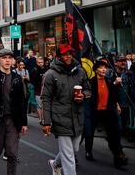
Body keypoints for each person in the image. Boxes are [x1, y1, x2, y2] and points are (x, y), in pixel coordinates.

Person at [41, 44, 91, 175]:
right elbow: (45, 98)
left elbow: (88, 89)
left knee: (73, 149)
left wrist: (83, 95)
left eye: (70, 53)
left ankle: (55, 164)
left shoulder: (80, 71)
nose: (68, 56)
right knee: (69, 156)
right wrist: (46, 122)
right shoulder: (50, 74)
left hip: (78, 117)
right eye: (64, 54)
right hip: (60, 118)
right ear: (58, 56)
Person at [83, 59, 128, 167]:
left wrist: (116, 102)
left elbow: (114, 95)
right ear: (96, 69)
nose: (104, 69)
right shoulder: (91, 81)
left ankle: (118, 157)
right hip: (94, 111)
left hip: (108, 111)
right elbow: (88, 96)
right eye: (101, 67)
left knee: (114, 133)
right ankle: (88, 151)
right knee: (89, 132)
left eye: (105, 67)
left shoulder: (109, 80)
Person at [107, 54, 135, 134]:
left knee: (122, 126)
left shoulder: (128, 74)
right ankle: (116, 144)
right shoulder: (110, 73)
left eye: (124, 61)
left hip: (125, 105)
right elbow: (107, 89)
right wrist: (114, 82)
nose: (123, 62)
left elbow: (134, 89)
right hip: (114, 105)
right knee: (118, 128)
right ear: (116, 63)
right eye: (121, 61)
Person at [30, 57, 48, 125]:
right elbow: (31, 80)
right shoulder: (34, 70)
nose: (40, 64)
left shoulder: (47, 69)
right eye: (39, 62)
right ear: (36, 62)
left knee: (44, 105)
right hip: (38, 90)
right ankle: (40, 119)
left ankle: (44, 118)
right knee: (39, 105)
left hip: (46, 90)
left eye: (41, 62)